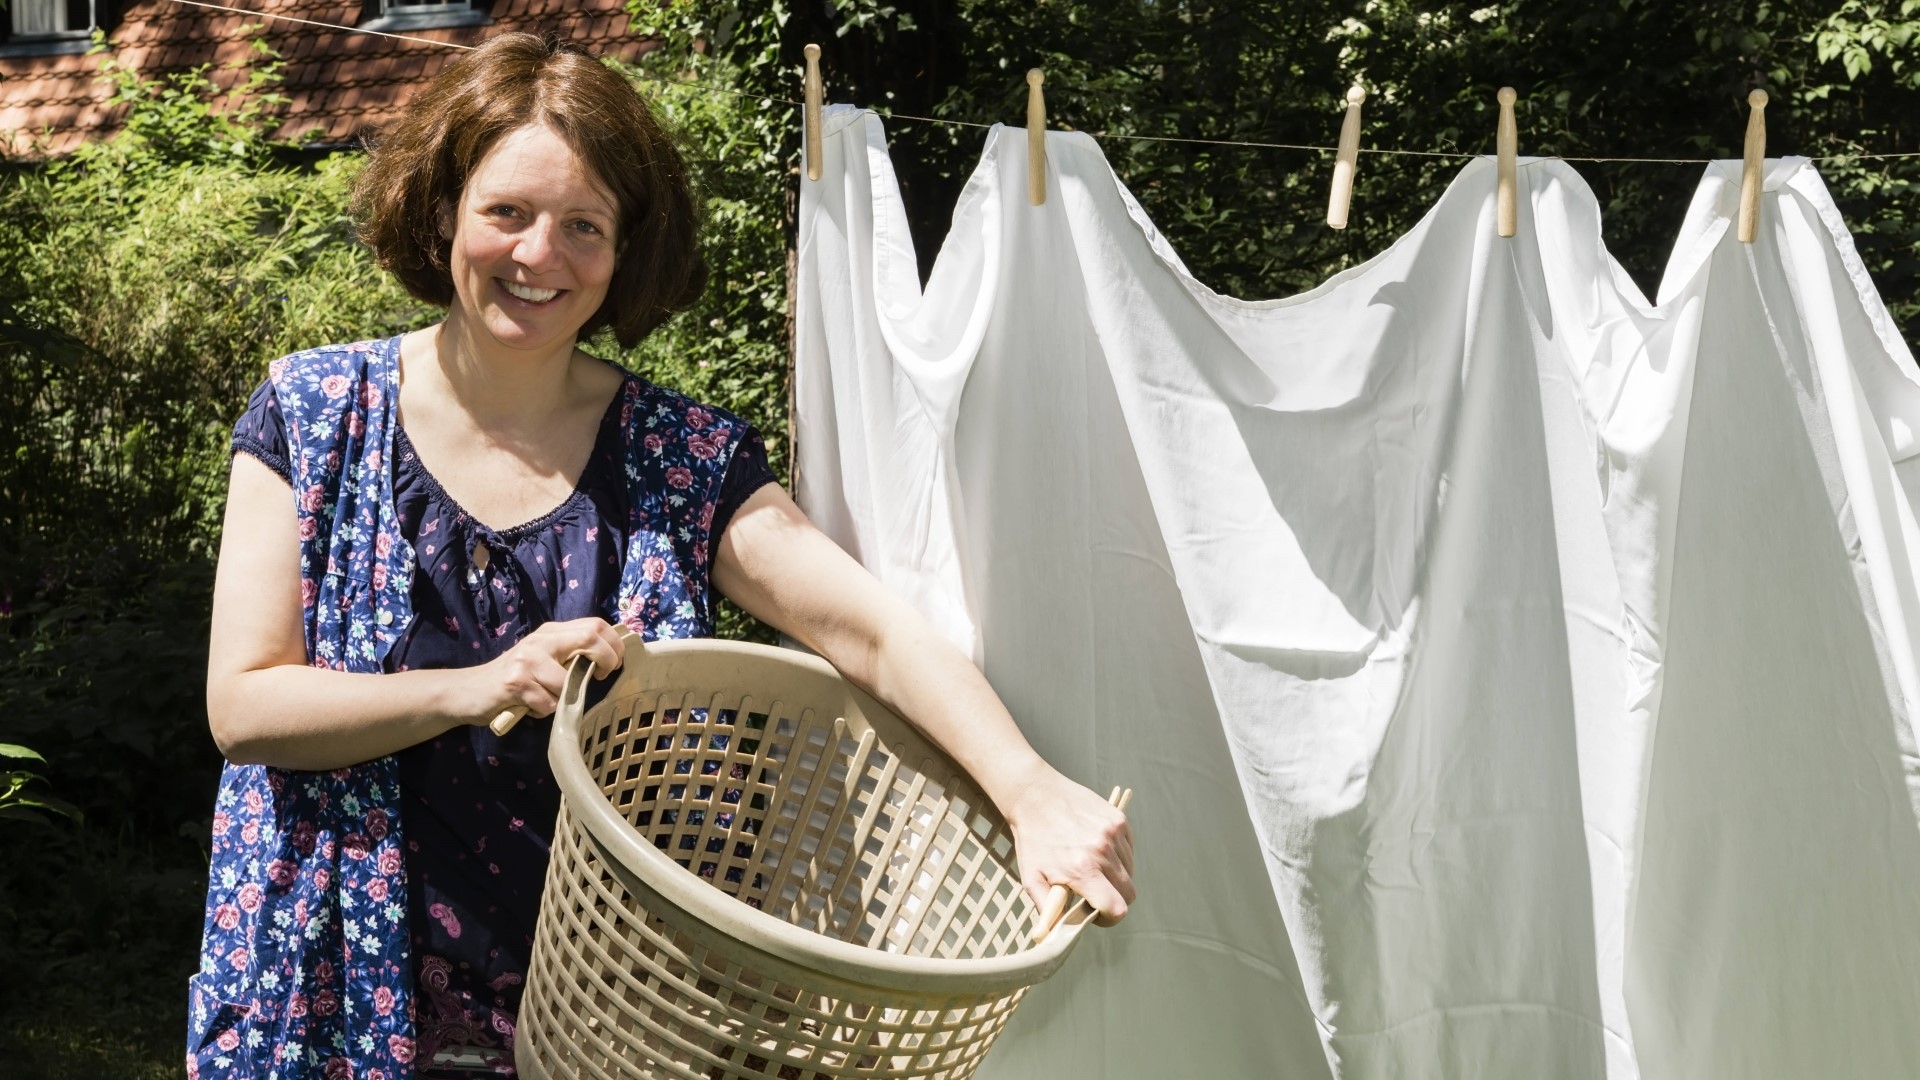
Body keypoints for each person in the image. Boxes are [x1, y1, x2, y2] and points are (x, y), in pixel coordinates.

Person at [190, 32, 1133, 1080]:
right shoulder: (317, 412)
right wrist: (477, 686)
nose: (539, 255)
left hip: (621, 1018)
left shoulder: (678, 458)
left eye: (583, 226)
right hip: (335, 997)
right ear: (444, 208)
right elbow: (246, 706)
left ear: (625, 249)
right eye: (507, 211)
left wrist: (1030, 791)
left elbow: (870, 631)